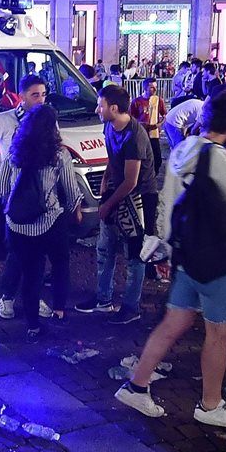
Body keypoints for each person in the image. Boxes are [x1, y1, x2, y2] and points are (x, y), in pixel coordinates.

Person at [116, 90, 226, 429]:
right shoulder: (218, 158)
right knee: (219, 331)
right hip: (217, 258)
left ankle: (137, 385)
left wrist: (166, 246)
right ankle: (210, 405)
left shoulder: (184, 149)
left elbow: (169, 202)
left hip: (187, 255)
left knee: (172, 324)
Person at [0, 105, 83, 339]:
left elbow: (3, 189)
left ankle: (32, 325)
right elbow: (71, 191)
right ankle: (59, 309)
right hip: (49, 222)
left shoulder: (14, 154)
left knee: (30, 274)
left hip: (17, 226)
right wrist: (76, 211)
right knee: (60, 262)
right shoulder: (59, 155)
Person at [0, 75, 48, 320]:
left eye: (44, 94)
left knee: (39, 249)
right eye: (35, 95)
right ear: (21, 97)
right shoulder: (3, 121)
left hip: (41, 194)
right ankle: (7, 296)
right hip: (14, 195)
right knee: (17, 249)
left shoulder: (46, 121)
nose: (41, 99)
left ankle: (33, 296)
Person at [76, 85, 156, 324]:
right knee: (105, 248)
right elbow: (113, 158)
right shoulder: (109, 126)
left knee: (135, 255)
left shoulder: (135, 135)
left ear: (113, 107)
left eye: (100, 105)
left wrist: (108, 204)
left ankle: (131, 307)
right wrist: (105, 179)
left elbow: (132, 181)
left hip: (140, 197)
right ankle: (103, 299)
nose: (96, 109)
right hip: (117, 191)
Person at [131, 77, 167, 174]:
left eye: (155, 87)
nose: (155, 89)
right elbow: (131, 118)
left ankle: (154, 175)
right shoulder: (137, 102)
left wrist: (158, 124)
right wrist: (141, 124)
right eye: (152, 87)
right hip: (141, 134)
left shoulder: (159, 100)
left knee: (157, 158)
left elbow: (164, 115)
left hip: (154, 134)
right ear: (145, 88)